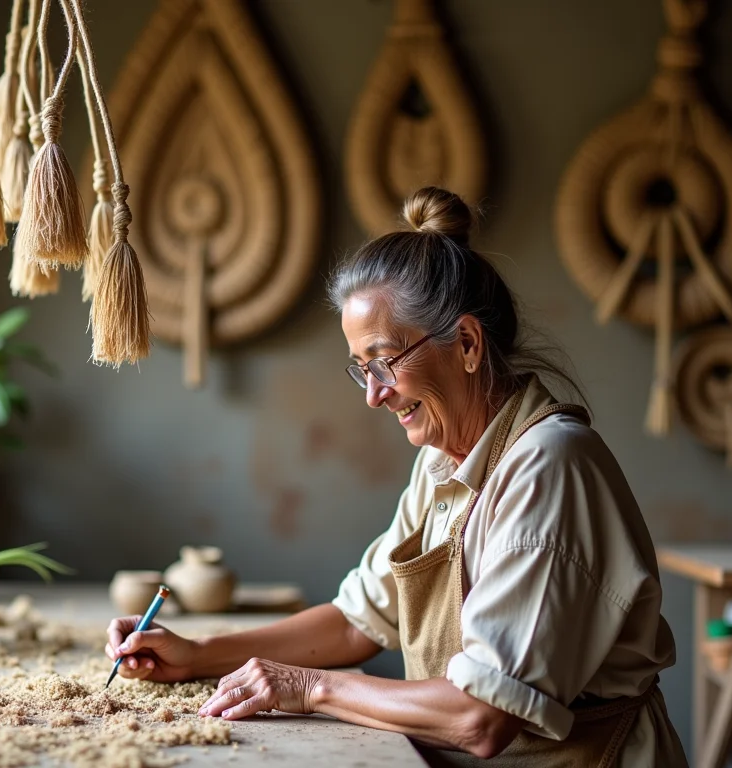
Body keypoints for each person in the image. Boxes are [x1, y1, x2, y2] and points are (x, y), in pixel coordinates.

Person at [104, 186, 688, 766]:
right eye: (362, 370)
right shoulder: (441, 462)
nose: (375, 395)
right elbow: (359, 622)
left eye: (385, 362)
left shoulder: (549, 467)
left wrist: (309, 688)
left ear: (465, 343)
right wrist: (196, 654)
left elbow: (479, 718)